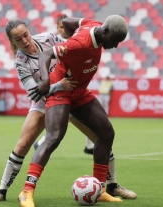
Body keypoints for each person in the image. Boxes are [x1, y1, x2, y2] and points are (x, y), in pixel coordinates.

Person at [0, 18, 136, 203]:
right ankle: (3, 190)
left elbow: (70, 48)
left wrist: (73, 38)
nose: (24, 40)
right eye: (18, 39)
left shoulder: (48, 38)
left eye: (25, 35)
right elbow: (35, 92)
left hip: (72, 90)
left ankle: (108, 186)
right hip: (46, 96)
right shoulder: (21, 62)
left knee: (103, 135)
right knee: (26, 143)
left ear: (29, 31)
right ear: (12, 42)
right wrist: (58, 84)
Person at [33, 13, 95, 155]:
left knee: (78, 116)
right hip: (59, 83)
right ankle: (43, 142)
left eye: (65, 26)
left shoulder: (77, 41)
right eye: (60, 27)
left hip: (73, 83)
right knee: (68, 116)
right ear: (57, 28)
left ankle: (90, 145)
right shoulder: (56, 42)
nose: (63, 29)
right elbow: (46, 60)